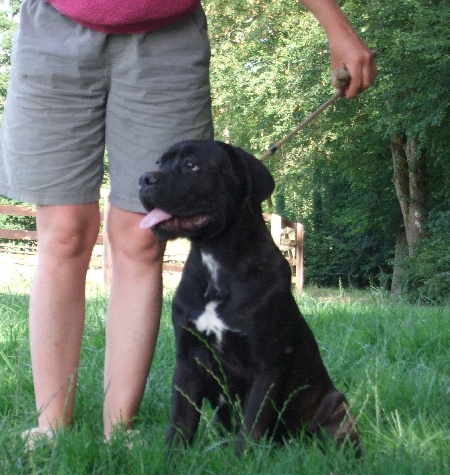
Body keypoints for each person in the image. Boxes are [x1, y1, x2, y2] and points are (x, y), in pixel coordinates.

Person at [0, 0, 377, 446]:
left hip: (167, 37)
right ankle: (50, 428)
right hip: (54, 28)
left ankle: (119, 431)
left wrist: (336, 27)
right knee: (63, 233)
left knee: (141, 238)